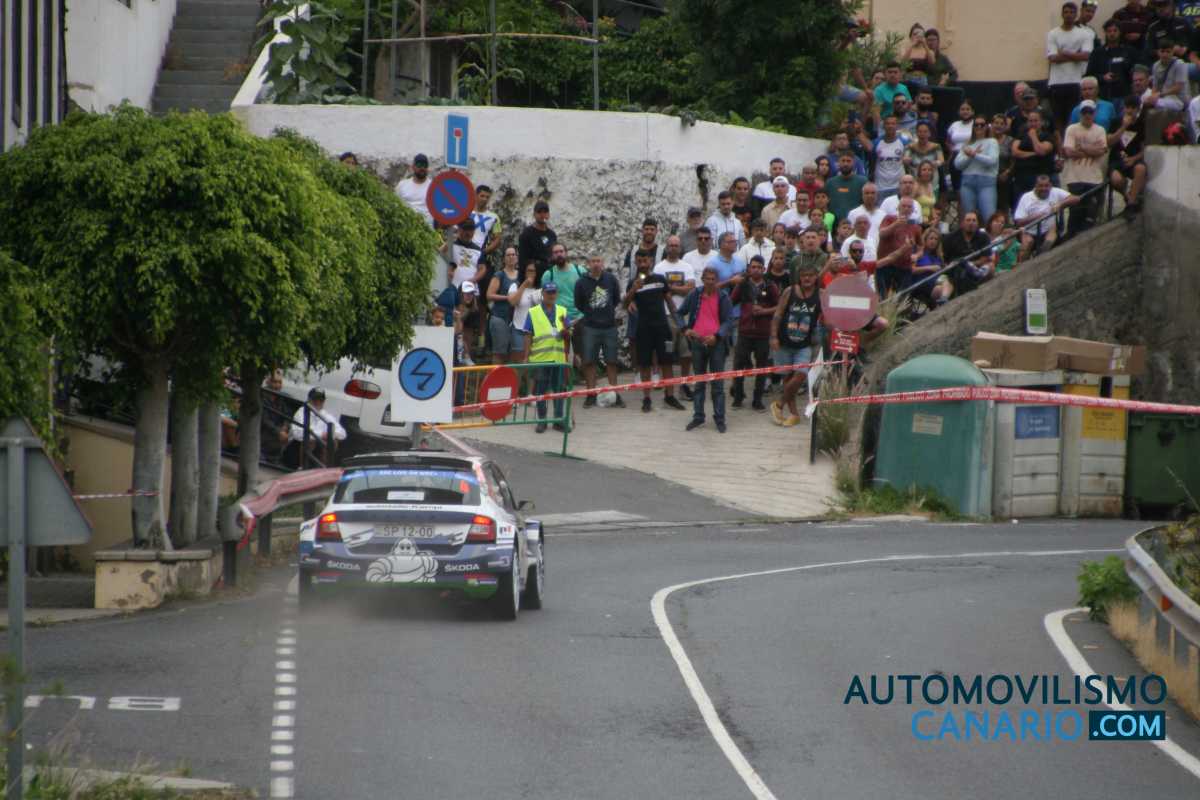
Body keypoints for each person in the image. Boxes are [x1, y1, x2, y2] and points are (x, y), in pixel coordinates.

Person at [624, 250, 684, 413]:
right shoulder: (633, 283)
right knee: (645, 364)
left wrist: (680, 323)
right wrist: (633, 290)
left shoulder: (660, 279)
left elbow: (670, 302)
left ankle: (669, 396)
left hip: (662, 328)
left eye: (645, 260)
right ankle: (646, 398)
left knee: (667, 362)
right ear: (636, 262)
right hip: (643, 329)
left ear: (651, 261)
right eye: (639, 261)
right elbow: (625, 305)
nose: (643, 263)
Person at [679, 266, 734, 433]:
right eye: (707, 278)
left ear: (717, 280)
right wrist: (685, 329)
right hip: (697, 343)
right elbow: (679, 313)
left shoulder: (723, 297)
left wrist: (717, 336)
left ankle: (720, 418)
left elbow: (729, 320)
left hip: (716, 344)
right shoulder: (694, 294)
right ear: (702, 279)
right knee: (699, 382)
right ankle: (698, 416)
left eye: (713, 279)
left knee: (718, 384)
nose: (710, 282)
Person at [769, 262, 822, 428]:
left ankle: (779, 404)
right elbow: (778, 314)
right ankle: (794, 414)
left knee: (800, 375)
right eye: (804, 275)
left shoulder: (821, 295)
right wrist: (773, 337)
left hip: (804, 345)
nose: (807, 278)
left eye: (810, 275)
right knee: (787, 379)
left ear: (816, 277)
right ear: (800, 277)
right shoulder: (789, 291)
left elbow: (827, 317)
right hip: (783, 342)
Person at [728, 256, 779, 410]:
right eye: (753, 267)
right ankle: (738, 397)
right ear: (749, 268)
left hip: (763, 332)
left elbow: (779, 307)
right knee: (738, 365)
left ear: (764, 269)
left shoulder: (770, 286)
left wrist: (764, 311)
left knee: (761, 367)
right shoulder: (742, 285)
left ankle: (757, 399)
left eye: (759, 267)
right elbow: (730, 302)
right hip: (744, 331)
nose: (756, 270)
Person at [574, 255, 625, 408]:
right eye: (593, 261)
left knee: (611, 361)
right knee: (589, 361)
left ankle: (614, 393)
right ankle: (591, 393)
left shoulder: (611, 279)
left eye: (598, 261)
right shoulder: (581, 282)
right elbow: (579, 304)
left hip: (609, 326)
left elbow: (615, 299)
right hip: (590, 326)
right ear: (588, 264)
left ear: (602, 263)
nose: (596, 264)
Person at [522, 282, 570, 433]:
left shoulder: (562, 311)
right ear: (543, 293)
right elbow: (528, 335)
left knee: (559, 390)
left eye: (553, 292)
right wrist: (526, 356)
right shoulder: (533, 312)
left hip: (558, 358)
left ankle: (558, 420)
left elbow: (568, 334)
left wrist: (566, 332)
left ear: (557, 294)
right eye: (548, 292)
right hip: (540, 358)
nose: (551, 295)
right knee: (541, 390)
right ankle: (542, 420)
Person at [654, 235, 697, 400]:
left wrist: (669, 288)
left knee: (687, 354)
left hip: (685, 316)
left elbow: (690, 289)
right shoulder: (659, 267)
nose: (673, 248)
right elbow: (658, 291)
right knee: (667, 354)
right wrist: (680, 288)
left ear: (680, 248)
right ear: (666, 247)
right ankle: (669, 390)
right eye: (671, 245)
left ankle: (684, 386)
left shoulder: (687, 266)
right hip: (666, 315)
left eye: (676, 245)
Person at [1061, 100, 1109, 237]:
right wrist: (1092, 150)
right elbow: (1069, 152)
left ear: (1094, 113)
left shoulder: (1100, 130)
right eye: (1084, 112)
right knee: (1075, 211)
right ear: (1080, 114)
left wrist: (1082, 148)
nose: (1087, 115)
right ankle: (1071, 237)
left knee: (1091, 212)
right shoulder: (1071, 129)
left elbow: (1101, 151)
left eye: (1090, 112)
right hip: (1074, 177)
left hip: (1094, 177)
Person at [1047, 2, 1096, 132]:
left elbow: (1086, 56)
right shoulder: (1053, 33)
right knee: (1058, 119)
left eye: (1072, 12)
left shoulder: (1084, 34)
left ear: (1076, 14)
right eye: (1066, 12)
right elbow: (1052, 58)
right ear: (1062, 14)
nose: (1069, 15)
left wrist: (1064, 53)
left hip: (1076, 81)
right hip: (1056, 82)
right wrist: (1076, 54)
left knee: (1073, 118)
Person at [1015, 175, 1081, 259]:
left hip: (1048, 229)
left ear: (1050, 186)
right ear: (1036, 186)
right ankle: (1021, 263)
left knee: (1052, 232)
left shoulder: (1055, 191)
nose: (1044, 189)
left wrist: (1060, 204)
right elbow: (1019, 222)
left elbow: (1076, 198)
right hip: (1030, 231)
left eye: (1046, 186)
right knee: (1027, 242)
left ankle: (1041, 256)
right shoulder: (1026, 197)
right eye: (1041, 186)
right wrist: (1035, 217)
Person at [1087, 20, 1139, 113]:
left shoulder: (1129, 51)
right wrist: (1103, 77)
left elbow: (1137, 71)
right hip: (1104, 96)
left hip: (1124, 96)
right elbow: (1089, 75)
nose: (1112, 33)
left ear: (1120, 32)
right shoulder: (1097, 52)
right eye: (1109, 31)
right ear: (1105, 33)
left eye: (1115, 30)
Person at [874, 198, 922, 298]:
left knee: (903, 297)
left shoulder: (916, 227)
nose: (906, 209)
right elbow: (882, 234)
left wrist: (916, 255)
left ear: (913, 210)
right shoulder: (889, 219)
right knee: (882, 296)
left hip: (904, 267)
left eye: (909, 207)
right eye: (904, 206)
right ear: (898, 208)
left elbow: (921, 246)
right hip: (886, 265)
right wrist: (896, 224)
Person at [955, 116, 1000, 223]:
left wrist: (974, 155)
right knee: (969, 217)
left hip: (986, 183)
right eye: (976, 125)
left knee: (989, 217)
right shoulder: (967, 143)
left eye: (982, 125)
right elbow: (957, 164)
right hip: (967, 182)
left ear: (987, 126)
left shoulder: (992, 141)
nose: (979, 127)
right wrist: (970, 156)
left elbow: (992, 160)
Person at [287, 387, 347, 466]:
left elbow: (343, 433)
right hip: (295, 449)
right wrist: (320, 434)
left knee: (333, 441)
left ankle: (323, 469)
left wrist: (330, 434)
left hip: (317, 450)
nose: (318, 402)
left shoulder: (326, 414)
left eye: (320, 400)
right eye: (315, 399)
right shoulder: (301, 412)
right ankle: (302, 468)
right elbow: (297, 434)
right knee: (310, 440)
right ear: (309, 399)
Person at [486, 246, 523, 364]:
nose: (511, 257)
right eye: (508, 255)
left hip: (517, 319)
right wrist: (508, 298)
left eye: (513, 254)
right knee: (499, 353)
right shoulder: (499, 275)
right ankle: (496, 375)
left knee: (515, 353)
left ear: (517, 257)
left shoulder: (521, 275)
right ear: (504, 259)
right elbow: (489, 295)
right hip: (500, 317)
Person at [942, 210, 993, 298]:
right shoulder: (950, 238)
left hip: (977, 268)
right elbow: (946, 259)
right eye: (968, 220)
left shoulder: (984, 237)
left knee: (991, 266)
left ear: (978, 223)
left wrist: (968, 264)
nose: (971, 223)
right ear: (962, 223)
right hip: (956, 269)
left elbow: (985, 258)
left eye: (974, 220)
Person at [1011, 110, 1057, 205]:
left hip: (1039, 177)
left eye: (1036, 121)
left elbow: (1041, 151)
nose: (1033, 124)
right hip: (1021, 177)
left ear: (1042, 122)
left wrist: (1033, 136)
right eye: (1030, 121)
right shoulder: (1021, 136)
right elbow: (1015, 152)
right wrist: (1033, 153)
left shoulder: (1048, 136)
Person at [1109, 104, 1147, 210]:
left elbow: (1144, 149)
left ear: (1138, 110)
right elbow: (1109, 142)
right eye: (1127, 107)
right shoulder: (1116, 122)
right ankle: (1127, 196)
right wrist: (1124, 126)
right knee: (1116, 180)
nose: (1130, 110)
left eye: (1133, 108)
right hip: (1116, 160)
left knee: (1141, 169)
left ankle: (1131, 203)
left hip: (1133, 159)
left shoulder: (1141, 124)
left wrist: (1133, 159)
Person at [1144, 37, 1190, 111]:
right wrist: (1152, 97)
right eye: (1162, 51)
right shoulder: (1156, 65)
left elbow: (1178, 87)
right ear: (1158, 52)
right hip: (1164, 97)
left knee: (1157, 102)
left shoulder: (1180, 64)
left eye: (1168, 52)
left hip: (1179, 100)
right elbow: (1155, 86)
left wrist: (1159, 95)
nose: (1165, 54)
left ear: (1172, 52)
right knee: (1144, 100)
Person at [908, 227, 949, 309]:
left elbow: (942, 270)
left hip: (936, 283)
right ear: (925, 239)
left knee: (945, 283)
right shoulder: (918, 252)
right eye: (931, 238)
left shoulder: (938, 256)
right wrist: (929, 268)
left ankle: (942, 302)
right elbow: (912, 270)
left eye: (936, 239)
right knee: (941, 287)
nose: (933, 241)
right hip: (921, 283)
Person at [873, 116, 910, 200]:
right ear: (883, 126)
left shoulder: (904, 141)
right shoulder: (877, 142)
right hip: (881, 186)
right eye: (888, 123)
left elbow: (910, 154)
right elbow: (869, 151)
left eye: (893, 123)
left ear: (897, 126)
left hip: (899, 186)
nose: (890, 126)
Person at [443, 217, 486, 290]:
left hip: (470, 290)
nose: (468, 233)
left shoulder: (478, 250)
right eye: (465, 229)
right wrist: (449, 242)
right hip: (452, 288)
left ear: (474, 231)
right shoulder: (451, 245)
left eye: (470, 230)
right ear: (459, 229)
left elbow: (482, 269)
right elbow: (438, 256)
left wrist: (473, 280)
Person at [945, 100, 976, 194]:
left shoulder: (977, 124)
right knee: (957, 188)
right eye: (962, 109)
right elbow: (948, 141)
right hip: (956, 157)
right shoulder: (954, 125)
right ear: (959, 111)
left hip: (971, 158)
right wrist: (951, 151)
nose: (965, 111)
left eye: (968, 109)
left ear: (972, 111)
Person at [518, 201, 557, 275]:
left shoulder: (552, 235)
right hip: (534, 273)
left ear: (548, 214)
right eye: (539, 212)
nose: (542, 215)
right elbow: (523, 259)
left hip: (550, 273)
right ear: (534, 214)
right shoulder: (527, 234)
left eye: (545, 212)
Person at [395, 153, 433, 225]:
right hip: (406, 227)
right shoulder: (402, 185)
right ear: (413, 167)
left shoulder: (433, 186)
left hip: (428, 228)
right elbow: (396, 205)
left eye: (425, 165)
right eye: (419, 165)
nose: (422, 168)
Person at [469, 185, 503, 261]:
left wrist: (484, 252)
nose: (484, 199)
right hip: (461, 250)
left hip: (479, 254)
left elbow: (497, 239)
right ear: (475, 196)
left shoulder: (494, 217)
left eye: (487, 197)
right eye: (482, 196)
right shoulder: (466, 212)